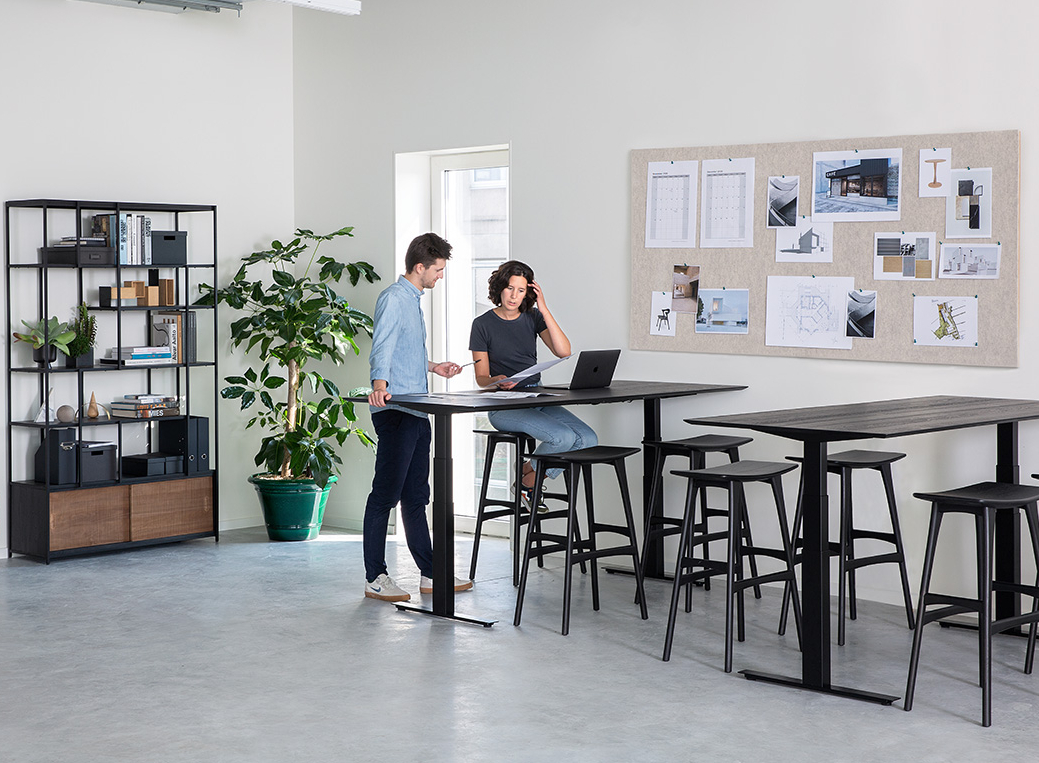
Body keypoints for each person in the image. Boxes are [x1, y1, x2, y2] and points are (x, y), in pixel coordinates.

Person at [363, 232, 472, 603]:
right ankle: (375, 576)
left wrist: (433, 366)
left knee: (416, 496)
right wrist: (379, 385)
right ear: (420, 266)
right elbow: (383, 345)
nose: (440, 276)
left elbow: (403, 351)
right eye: (438, 270)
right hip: (396, 410)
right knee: (385, 496)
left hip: (418, 407)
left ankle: (430, 572)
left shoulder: (413, 299)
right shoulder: (394, 298)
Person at [469, 260, 597, 510]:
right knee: (562, 437)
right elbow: (481, 378)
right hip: (503, 406)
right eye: (509, 288)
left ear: (528, 292)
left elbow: (564, 351)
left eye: (520, 290)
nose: (514, 296)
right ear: (499, 288)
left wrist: (544, 309)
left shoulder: (533, 317)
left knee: (588, 439)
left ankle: (528, 478)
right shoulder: (482, 325)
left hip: (536, 397)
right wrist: (496, 381)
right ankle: (530, 480)